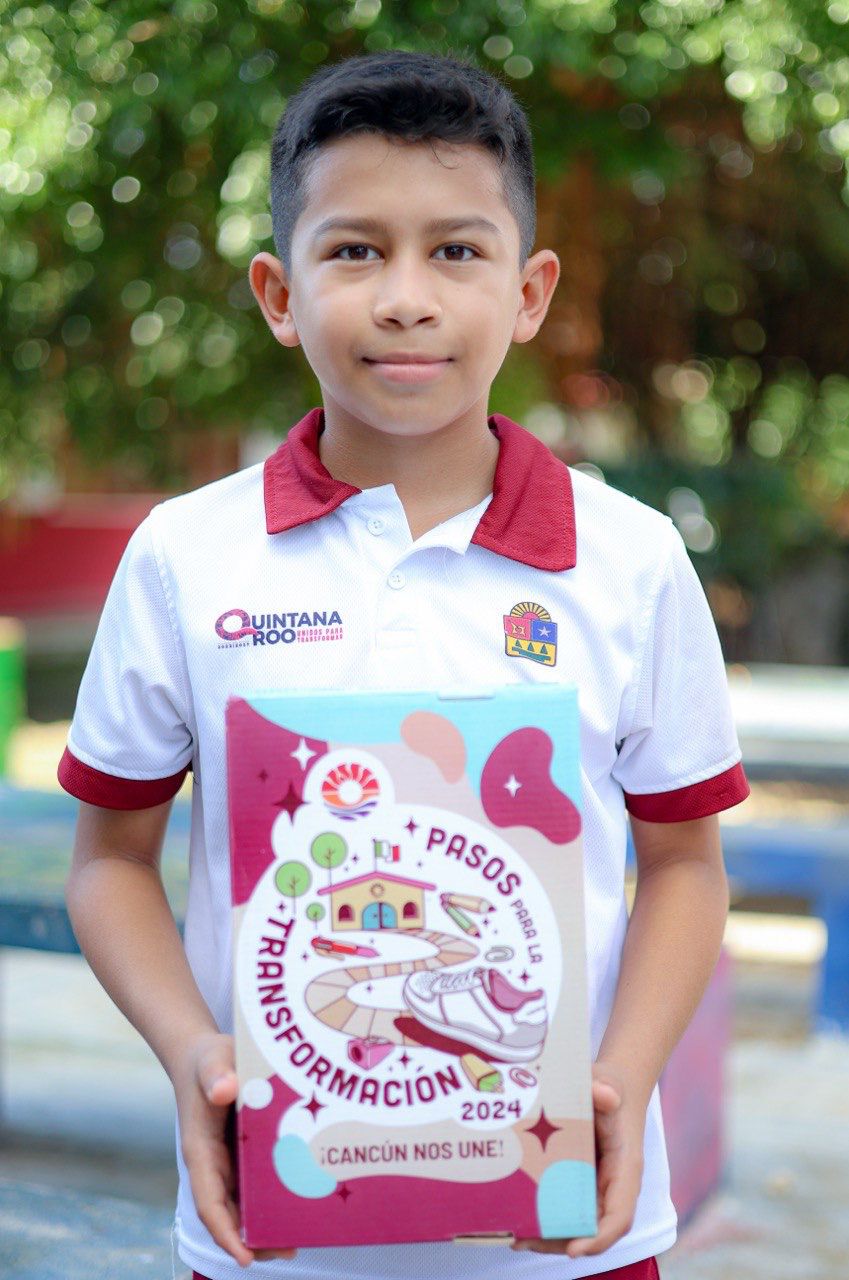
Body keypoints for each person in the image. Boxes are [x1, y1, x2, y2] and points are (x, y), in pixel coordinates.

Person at [59, 48, 749, 1280]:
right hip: (268, 1236)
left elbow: (686, 863)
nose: (406, 298)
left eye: (457, 250)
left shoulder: (632, 560)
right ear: (279, 293)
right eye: (356, 250)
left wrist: (625, 1074)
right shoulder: (185, 556)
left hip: (570, 1240)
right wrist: (191, 1050)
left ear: (529, 291)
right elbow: (110, 856)